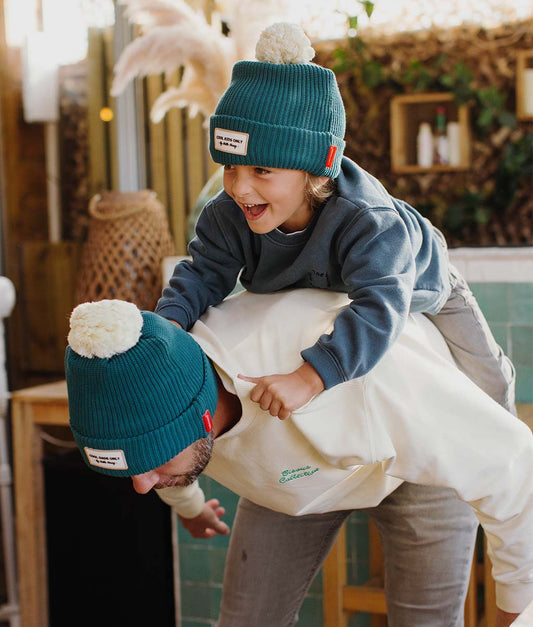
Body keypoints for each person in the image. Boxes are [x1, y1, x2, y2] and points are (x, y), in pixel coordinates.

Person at [65, 289, 532, 627]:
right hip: (292, 480)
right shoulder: (170, 380)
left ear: (203, 417)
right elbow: (151, 443)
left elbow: (513, 466)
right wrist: (187, 503)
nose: (142, 486)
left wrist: (518, 608)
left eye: (153, 465)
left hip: (413, 462)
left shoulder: (362, 374)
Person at [154, 22, 516, 421]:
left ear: (316, 171)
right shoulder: (228, 214)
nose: (239, 188)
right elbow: (203, 273)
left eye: (261, 170)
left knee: (490, 376)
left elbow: (381, 306)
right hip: (334, 284)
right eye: (229, 167)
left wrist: (310, 378)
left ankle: (516, 460)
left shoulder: (366, 219)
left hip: (419, 278)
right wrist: (167, 327)